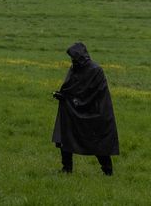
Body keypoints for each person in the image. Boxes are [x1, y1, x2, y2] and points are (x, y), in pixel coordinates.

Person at [51, 42, 119, 175]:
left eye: (74, 58)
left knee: (96, 140)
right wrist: (63, 96)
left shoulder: (95, 70)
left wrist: (77, 101)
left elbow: (97, 94)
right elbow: (70, 88)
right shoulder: (74, 68)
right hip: (72, 110)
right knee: (66, 136)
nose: (73, 60)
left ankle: (107, 171)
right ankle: (66, 168)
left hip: (94, 112)